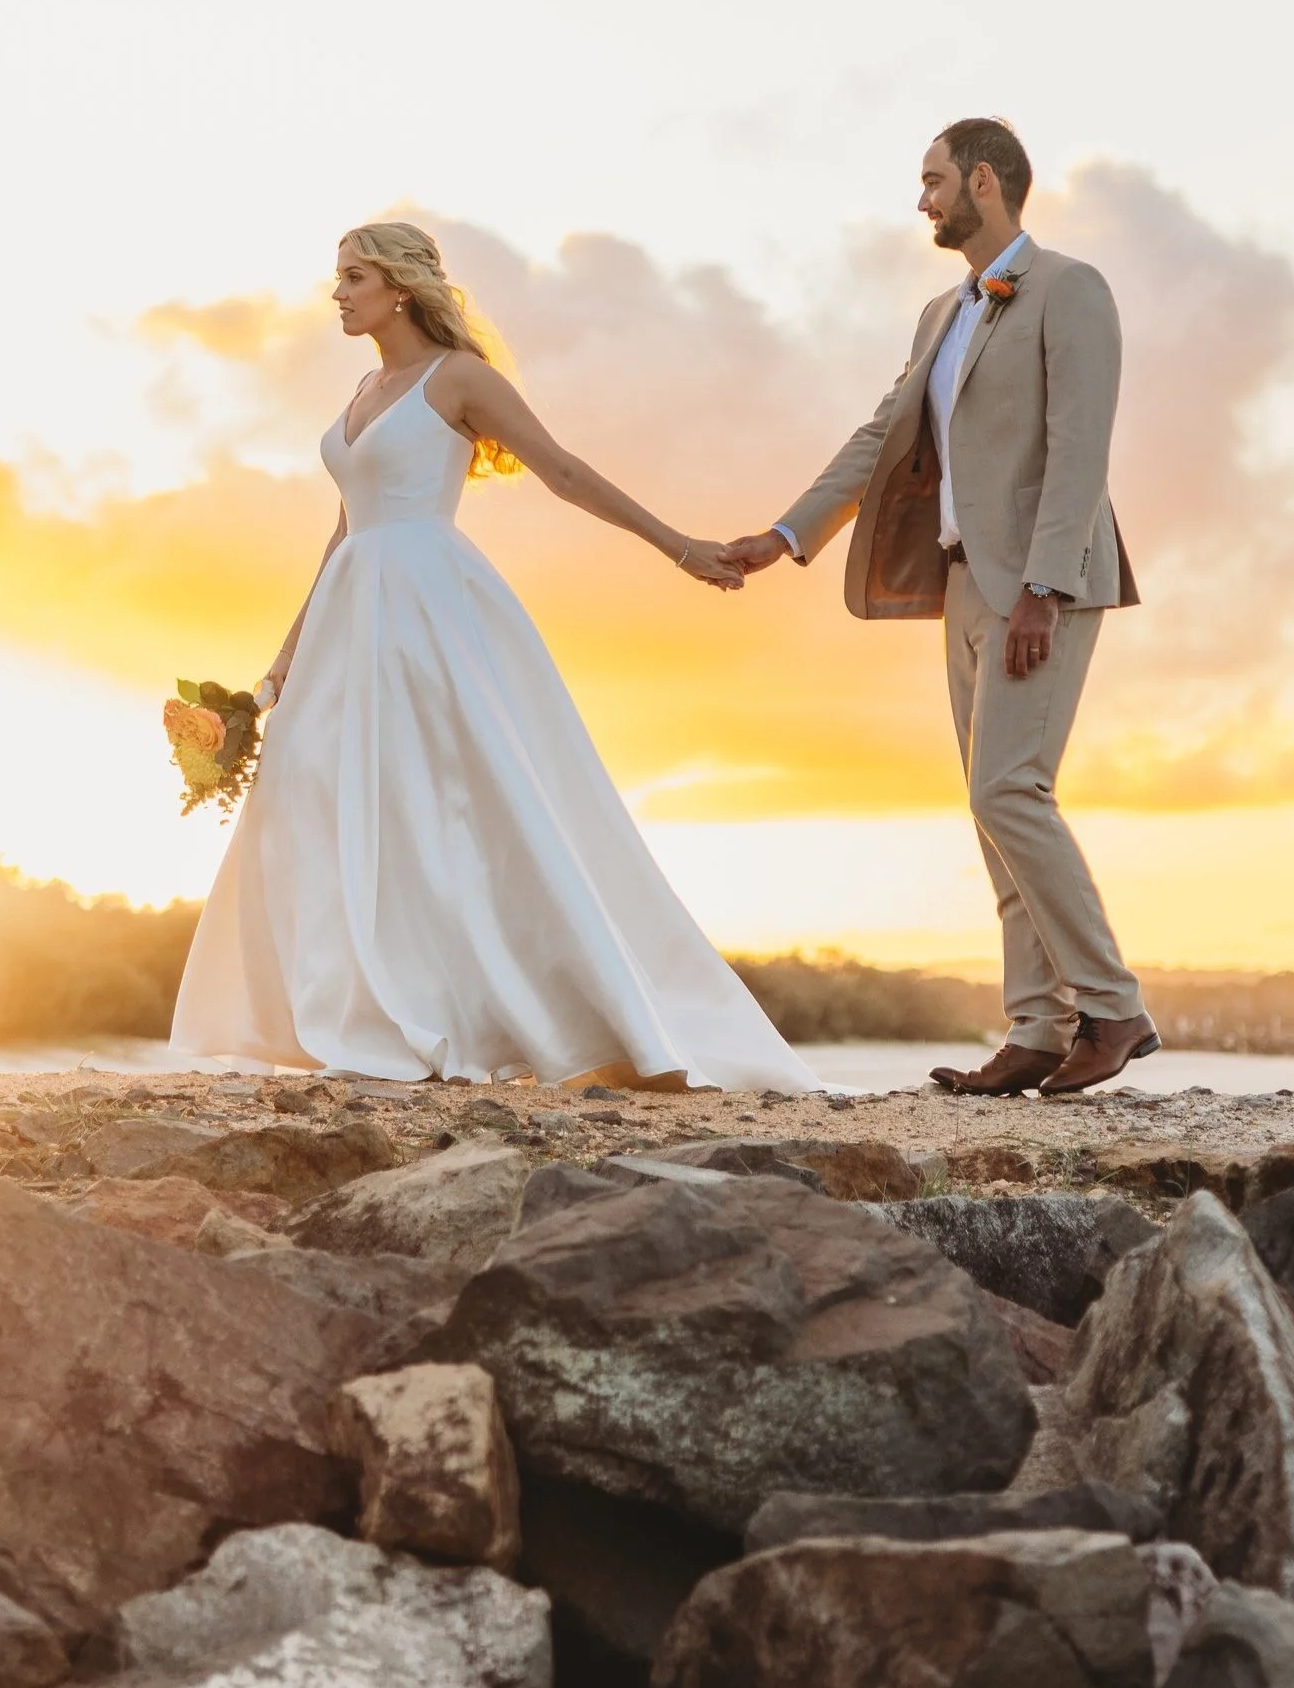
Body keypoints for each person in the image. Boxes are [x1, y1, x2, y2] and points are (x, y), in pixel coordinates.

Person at [172, 219, 819, 1093]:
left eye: (354, 276)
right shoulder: (364, 387)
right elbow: (342, 527)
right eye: (337, 276)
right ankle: (344, 1005)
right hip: (349, 616)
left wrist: (677, 545)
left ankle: (494, 1010)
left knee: (455, 804)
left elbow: (562, 469)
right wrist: (285, 656)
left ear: (400, 286)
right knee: (310, 791)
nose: (338, 292)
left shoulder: (461, 379)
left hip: (428, 606)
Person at [723, 118, 1155, 1096]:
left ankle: (1113, 1006)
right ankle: (1037, 1028)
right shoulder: (938, 314)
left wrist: (1045, 584)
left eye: (932, 180)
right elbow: (882, 436)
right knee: (987, 807)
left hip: (1041, 580)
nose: (920, 199)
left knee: (1010, 789)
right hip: (963, 579)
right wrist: (787, 533)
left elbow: (1080, 443)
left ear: (985, 182)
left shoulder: (1070, 288)